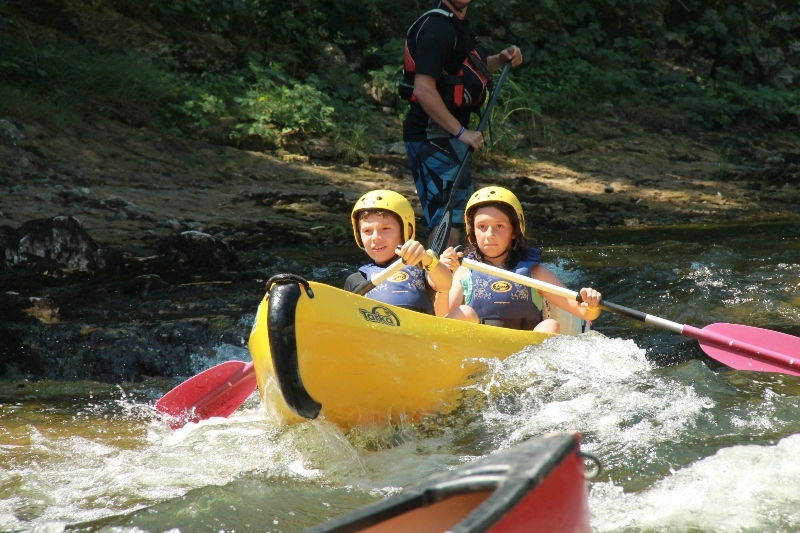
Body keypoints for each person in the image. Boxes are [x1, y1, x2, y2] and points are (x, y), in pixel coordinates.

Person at [401, 0, 524, 249]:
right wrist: (460, 131)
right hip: (431, 135)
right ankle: (440, 281)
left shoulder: (456, 26)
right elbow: (424, 90)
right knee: (447, 215)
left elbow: (464, 71)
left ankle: (454, 279)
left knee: (457, 213)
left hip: (450, 135)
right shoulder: (435, 28)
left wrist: (500, 59)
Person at [445, 186, 602, 332]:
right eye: (482, 227)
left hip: (524, 352)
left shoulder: (535, 273)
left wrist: (591, 303)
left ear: (514, 231)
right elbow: (442, 315)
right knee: (464, 313)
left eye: (499, 226)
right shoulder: (464, 271)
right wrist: (443, 276)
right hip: (476, 347)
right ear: (473, 233)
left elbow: (584, 312)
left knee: (550, 326)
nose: (490, 234)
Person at [344, 190, 459, 316]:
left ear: (407, 231)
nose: (375, 237)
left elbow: (445, 283)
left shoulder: (423, 268)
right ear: (358, 235)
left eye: (385, 229)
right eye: (367, 231)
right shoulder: (356, 280)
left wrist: (428, 260)